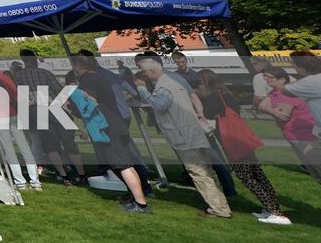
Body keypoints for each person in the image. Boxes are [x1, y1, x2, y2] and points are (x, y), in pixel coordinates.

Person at [133, 53, 230, 217]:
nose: (144, 76)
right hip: (192, 130)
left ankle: (218, 209)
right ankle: (221, 205)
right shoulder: (174, 81)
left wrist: (142, 89)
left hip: (182, 134)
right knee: (206, 171)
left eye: (144, 73)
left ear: (150, 71)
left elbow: (159, 105)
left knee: (197, 172)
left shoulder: (163, 86)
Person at [197, 69, 289, 224]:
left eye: (199, 83)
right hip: (243, 140)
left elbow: (206, 114)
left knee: (247, 177)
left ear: (206, 83)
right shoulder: (226, 95)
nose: (198, 87)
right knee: (258, 176)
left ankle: (275, 212)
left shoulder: (214, 98)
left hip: (234, 144)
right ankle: (273, 207)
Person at [71, 56, 151, 213]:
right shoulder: (99, 77)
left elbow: (91, 103)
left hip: (106, 126)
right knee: (124, 163)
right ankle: (137, 196)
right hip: (116, 123)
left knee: (122, 165)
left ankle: (141, 204)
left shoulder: (88, 80)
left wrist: (75, 98)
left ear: (79, 65)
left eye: (74, 66)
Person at [13, 50, 82, 184]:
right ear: (34, 60)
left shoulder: (18, 76)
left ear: (23, 61)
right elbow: (59, 90)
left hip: (34, 110)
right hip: (53, 107)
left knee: (50, 145)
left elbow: (19, 97)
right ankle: (81, 174)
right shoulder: (45, 73)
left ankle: (63, 175)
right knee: (69, 141)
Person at [0, 57, 40, 189]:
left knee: (9, 149)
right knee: (24, 147)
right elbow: (16, 94)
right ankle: (35, 181)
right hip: (12, 113)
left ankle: (20, 181)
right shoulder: (4, 76)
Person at [259, 65, 321, 183]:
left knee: (316, 165)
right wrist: (272, 110)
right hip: (292, 135)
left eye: (268, 77)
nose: (265, 79)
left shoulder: (288, 92)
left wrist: (269, 109)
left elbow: (283, 116)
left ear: (281, 79)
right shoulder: (273, 92)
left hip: (304, 135)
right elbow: (261, 106)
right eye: (264, 77)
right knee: (313, 170)